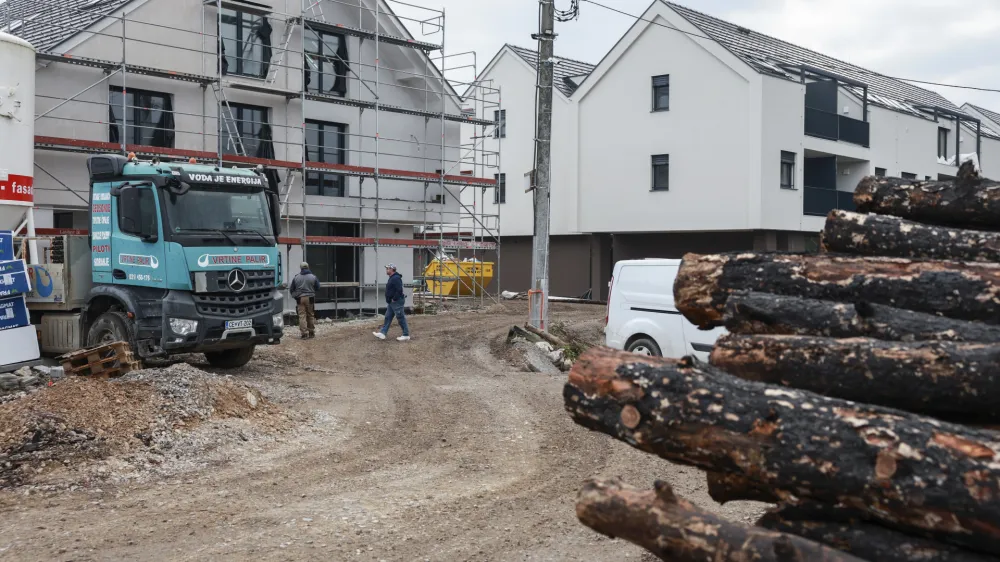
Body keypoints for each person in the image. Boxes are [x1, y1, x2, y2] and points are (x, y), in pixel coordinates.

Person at [373, 263, 410, 341]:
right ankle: (383, 333)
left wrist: (394, 298)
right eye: (386, 268)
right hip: (392, 302)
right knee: (388, 317)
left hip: (396, 301)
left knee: (400, 317)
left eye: (388, 268)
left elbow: (399, 290)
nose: (386, 270)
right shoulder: (392, 277)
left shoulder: (396, 278)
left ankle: (406, 335)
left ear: (392, 269)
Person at [290, 262, 320, 339]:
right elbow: (318, 287)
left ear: (301, 268)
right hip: (310, 298)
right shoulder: (313, 277)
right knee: (310, 315)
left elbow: (291, 289)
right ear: (308, 267)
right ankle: (311, 332)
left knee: (302, 315)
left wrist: (295, 296)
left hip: (300, 298)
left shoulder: (296, 277)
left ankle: (304, 334)